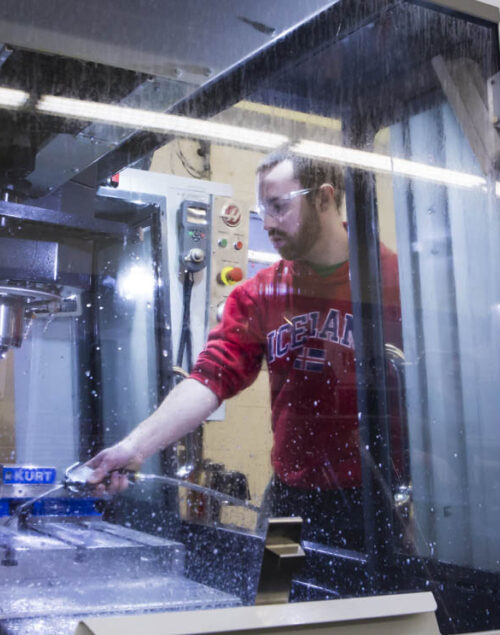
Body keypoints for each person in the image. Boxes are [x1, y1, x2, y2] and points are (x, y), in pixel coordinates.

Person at [84, 148, 401, 550]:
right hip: (291, 496)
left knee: (379, 613)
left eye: (279, 207)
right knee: (270, 607)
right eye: (263, 209)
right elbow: (210, 379)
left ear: (323, 198)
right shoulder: (259, 294)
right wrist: (134, 447)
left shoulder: (393, 281)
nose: (266, 223)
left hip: (376, 499)